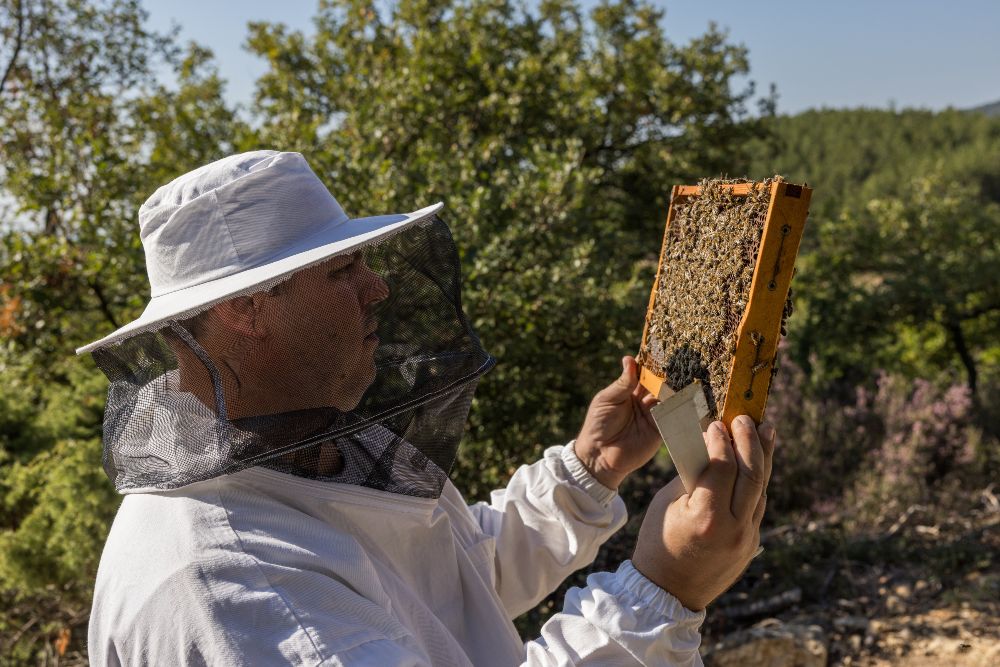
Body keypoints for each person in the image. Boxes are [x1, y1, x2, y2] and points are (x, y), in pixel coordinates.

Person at [80, 150, 774, 666]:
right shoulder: (234, 592)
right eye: (341, 269)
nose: (376, 286)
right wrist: (663, 589)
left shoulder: (294, 452)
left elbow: (448, 584)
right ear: (246, 310)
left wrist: (586, 473)